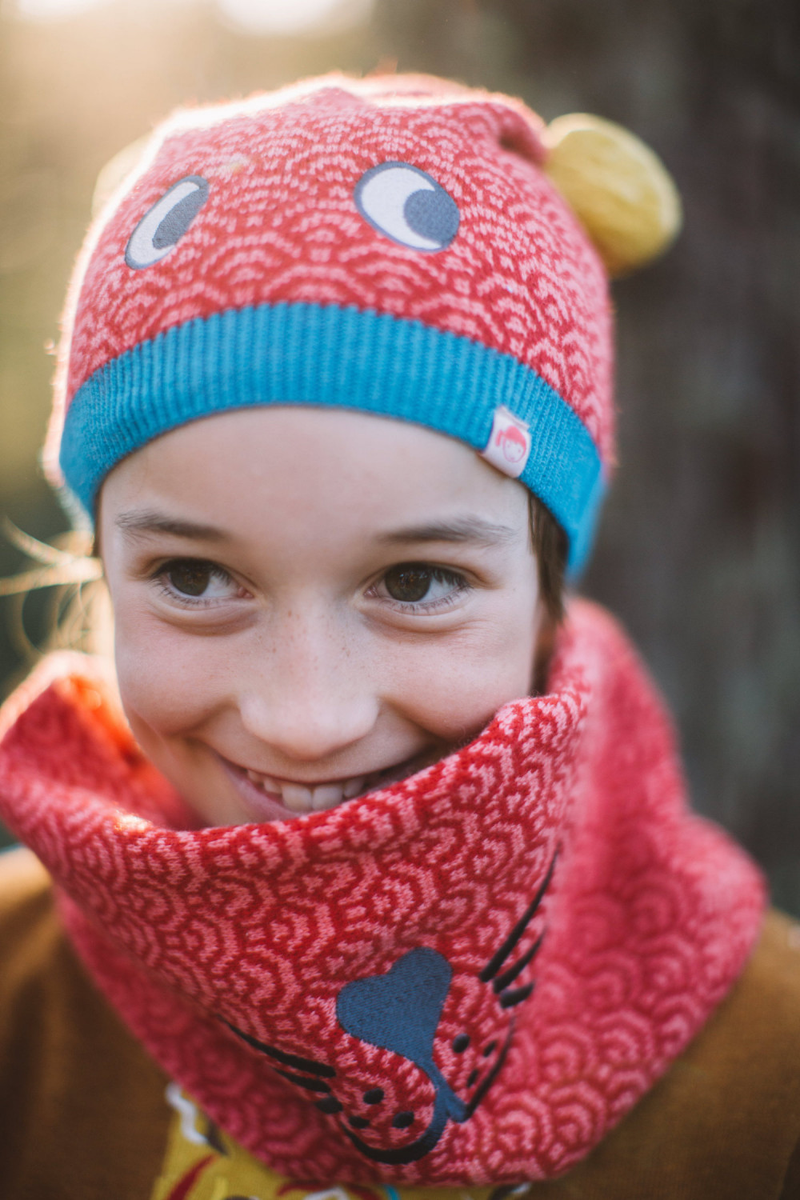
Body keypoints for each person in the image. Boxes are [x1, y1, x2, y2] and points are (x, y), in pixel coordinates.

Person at [0, 73, 798, 1200]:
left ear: (548, 596)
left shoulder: (773, 1073)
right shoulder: (15, 1000)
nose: (305, 718)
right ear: (102, 571)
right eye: (191, 576)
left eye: (416, 581)